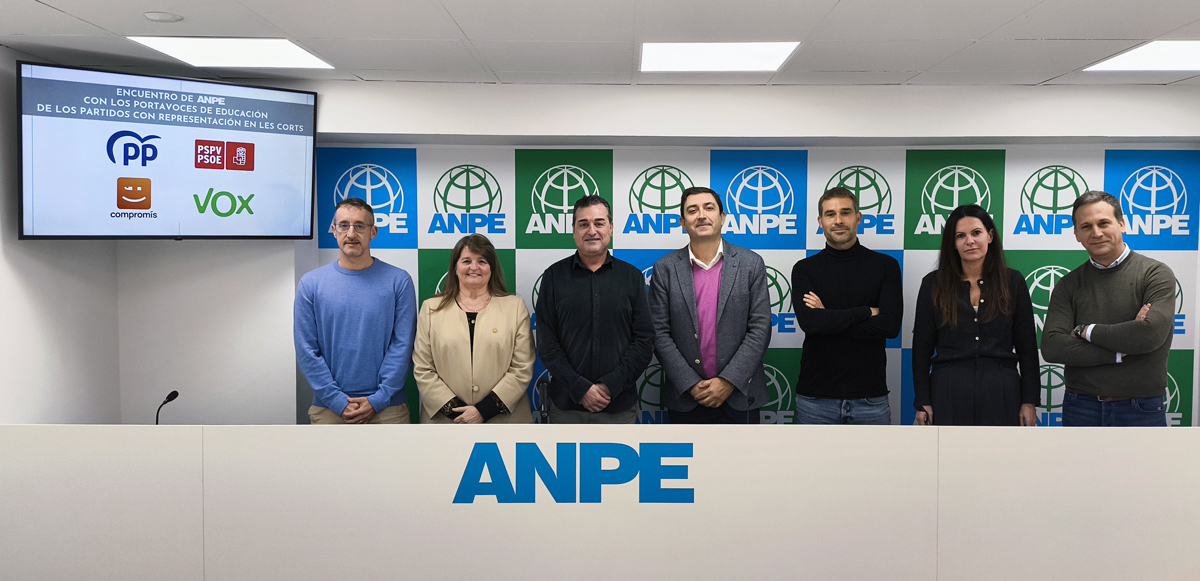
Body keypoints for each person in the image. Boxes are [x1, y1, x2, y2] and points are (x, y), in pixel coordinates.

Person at [1041, 191, 1174, 427]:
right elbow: (1053, 347)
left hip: (1141, 408)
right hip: (1080, 406)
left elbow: (1149, 334)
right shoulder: (1068, 284)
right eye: (1086, 226)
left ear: (1122, 224)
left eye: (1103, 223)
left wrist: (1084, 330)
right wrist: (1119, 351)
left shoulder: (1155, 274)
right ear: (1077, 234)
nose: (1096, 233)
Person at [649, 186, 771, 424]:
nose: (701, 215)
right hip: (686, 398)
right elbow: (659, 333)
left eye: (709, 208)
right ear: (683, 223)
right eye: (692, 210)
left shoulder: (751, 264)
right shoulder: (665, 269)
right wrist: (691, 384)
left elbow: (760, 328)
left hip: (740, 395)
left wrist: (728, 381)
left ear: (722, 217)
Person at [911, 204, 1039, 426]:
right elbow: (921, 349)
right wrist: (923, 401)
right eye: (960, 236)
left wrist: (1029, 401)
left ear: (990, 236)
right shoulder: (933, 284)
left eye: (976, 233)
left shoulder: (1013, 281)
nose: (969, 241)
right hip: (948, 389)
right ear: (953, 243)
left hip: (1001, 389)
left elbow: (1027, 347)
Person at [294, 197, 416, 424]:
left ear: (373, 232)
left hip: (388, 408)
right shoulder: (310, 284)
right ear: (334, 230)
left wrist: (378, 399)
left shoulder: (399, 281)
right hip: (329, 409)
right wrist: (337, 401)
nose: (351, 233)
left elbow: (403, 346)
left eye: (360, 226)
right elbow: (307, 350)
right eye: (344, 225)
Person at [535, 195, 654, 423]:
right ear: (574, 230)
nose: (592, 231)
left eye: (599, 223)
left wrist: (610, 386)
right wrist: (580, 388)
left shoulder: (632, 277)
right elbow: (547, 344)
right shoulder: (553, 277)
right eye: (583, 224)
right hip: (566, 407)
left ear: (611, 227)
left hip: (618, 406)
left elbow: (644, 341)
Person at [792, 187, 902, 424]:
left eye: (845, 212)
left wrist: (828, 317)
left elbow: (890, 326)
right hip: (815, 399)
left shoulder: (886, 266)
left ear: (858, 218)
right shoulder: (804, 269)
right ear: (820, 222)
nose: (838, 220)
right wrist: (866, 311)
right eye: (830, 214)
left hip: (870, 399)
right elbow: (810, 323)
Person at [412, 234, 534, 424]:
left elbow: (522, 368)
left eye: (482, 261)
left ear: (492, 268)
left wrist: (484, 411)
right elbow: (423, 368)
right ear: (455, 268)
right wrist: (460, 415)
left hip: (504, 423)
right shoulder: (431, 309)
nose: (474, 267)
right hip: (446, 424)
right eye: (466, 261)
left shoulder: (515, 308)